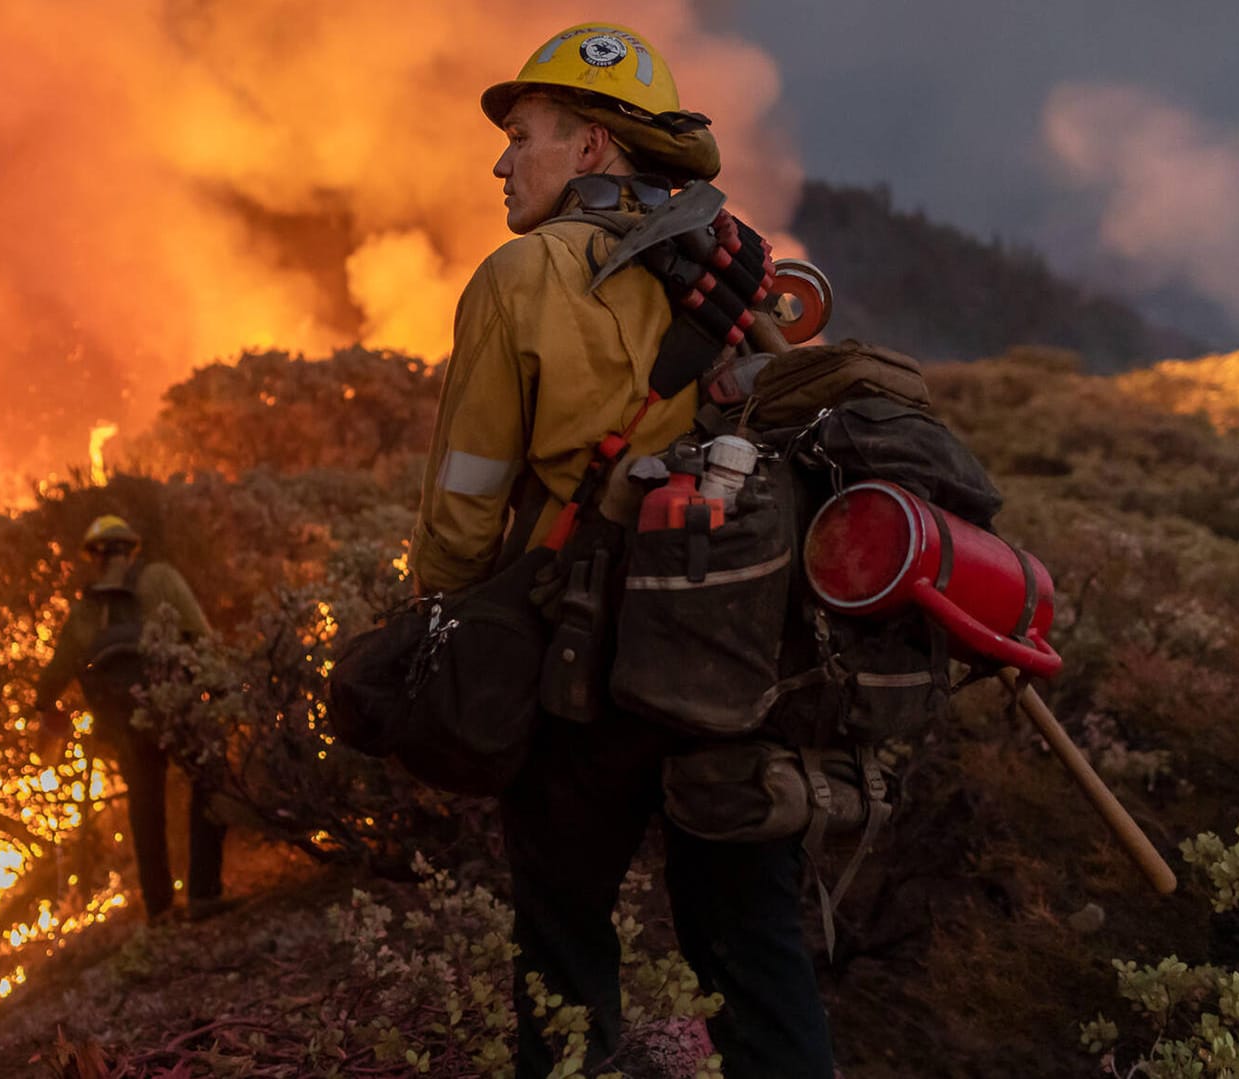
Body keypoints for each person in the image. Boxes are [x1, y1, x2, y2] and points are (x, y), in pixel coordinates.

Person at [409, 23, 836, 1078]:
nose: (503, 161)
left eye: (525, 135)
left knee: (561, 937)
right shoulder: (734, 264)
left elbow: (466, 502)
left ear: (592, 147)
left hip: (581, 671)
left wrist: (454, 623)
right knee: (753, 952)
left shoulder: (522, 275)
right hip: (736, 664)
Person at [34, 514, 228, 924]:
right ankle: (204, 895)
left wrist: (48, 710)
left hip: (126, 724)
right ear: (130, 548)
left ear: (95, 557)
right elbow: (202, 637)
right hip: (175, 705)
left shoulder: (86, 612)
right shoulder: (160, 578)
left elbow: (54, 676)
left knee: (145, 807)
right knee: (210, 779)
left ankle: (160, 909)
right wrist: (222, 692)